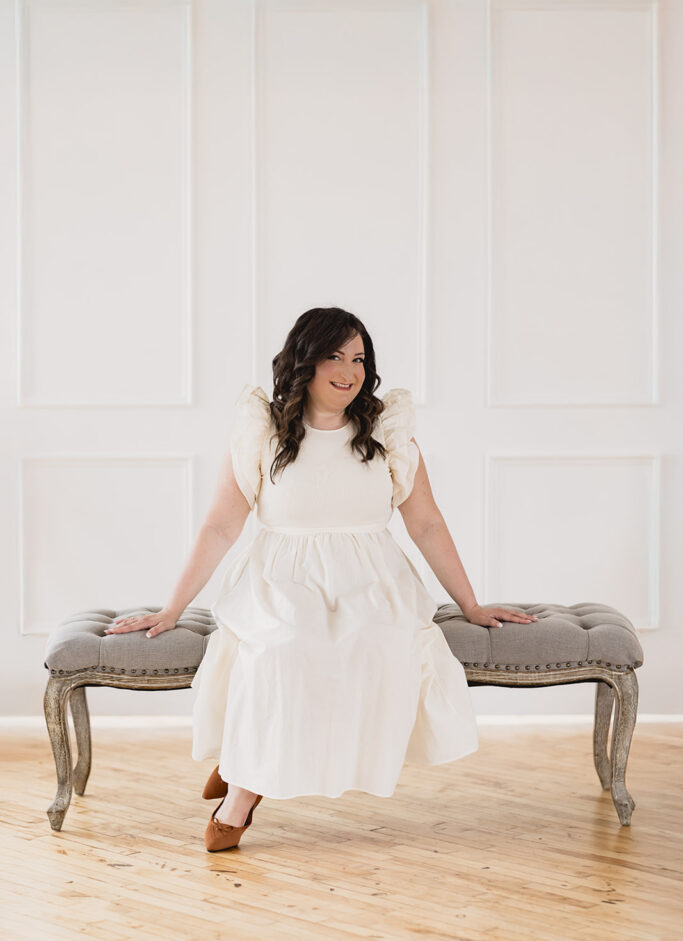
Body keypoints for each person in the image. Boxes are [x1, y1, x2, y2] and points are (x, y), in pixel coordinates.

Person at [104, 307, 537, 850]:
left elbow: (426, 522)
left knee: (375, 642)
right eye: (335, 355)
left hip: (372, 577)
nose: (349, 370)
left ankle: (243, 770)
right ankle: (244, 788)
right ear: (305, 362)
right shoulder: (263, 435)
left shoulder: (386, 434)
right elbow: (219, 526)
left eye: (359, 359)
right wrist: (172, 609)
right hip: (282, 575)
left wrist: (470, 604)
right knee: (286, 645)